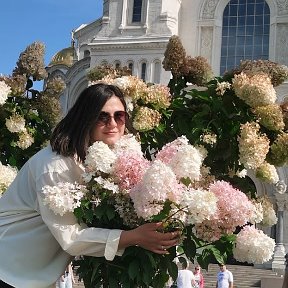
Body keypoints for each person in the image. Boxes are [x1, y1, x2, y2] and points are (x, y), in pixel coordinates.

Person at [0, 83, 179, 288]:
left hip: (32, 275)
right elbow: (71, 237)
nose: (113, 123)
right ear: (85, 119)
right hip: (8, 268)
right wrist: (134, 237)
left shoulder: (105, 159)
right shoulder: (56, 167)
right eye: (102, 116)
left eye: (119, 116)